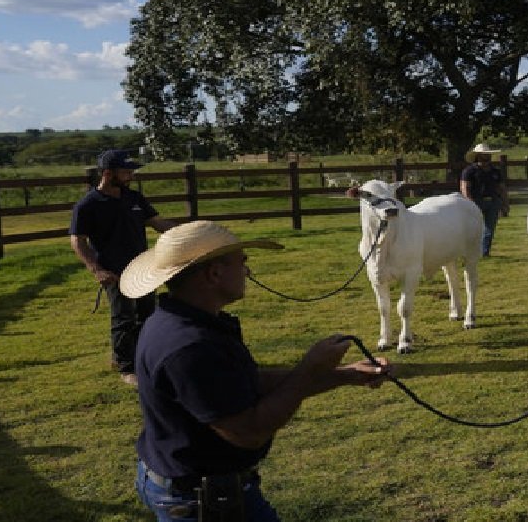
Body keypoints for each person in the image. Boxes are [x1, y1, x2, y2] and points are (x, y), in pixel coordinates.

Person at [120, 220, 393, 521]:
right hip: (204, 501)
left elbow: (243, 384)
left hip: (189, 484)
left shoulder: (184, 321)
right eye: (242, 263)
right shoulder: (190, 347)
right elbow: (249, 432)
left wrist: (344, 375)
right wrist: (308, 369)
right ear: (214, 273)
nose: (247, 272)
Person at [70, 149, 176, 386]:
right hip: (115, 272)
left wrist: (188, 234)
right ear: (108, 174)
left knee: (147, 315)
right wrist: (97, 270)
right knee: (124, 317)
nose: (131, 175)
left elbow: (158, 223)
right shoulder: (88, 205)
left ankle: (142, 359)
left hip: (143, 268)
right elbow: (77, 241)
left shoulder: (134, 198)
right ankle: (127, 368)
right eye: (126, 171)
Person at [459, 143, 509, 257]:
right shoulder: (469, 171)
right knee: (472, 229)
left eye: (488, 154)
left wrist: (505, 203)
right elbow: (464, 188)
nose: (487, 157)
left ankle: (484, 253)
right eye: (484, 155)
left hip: (493, 202)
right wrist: (471, 204)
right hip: (476, 202)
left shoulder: (495, 171)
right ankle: (469, 252)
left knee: (489, 229)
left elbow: (501, 188)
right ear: (478, 156)